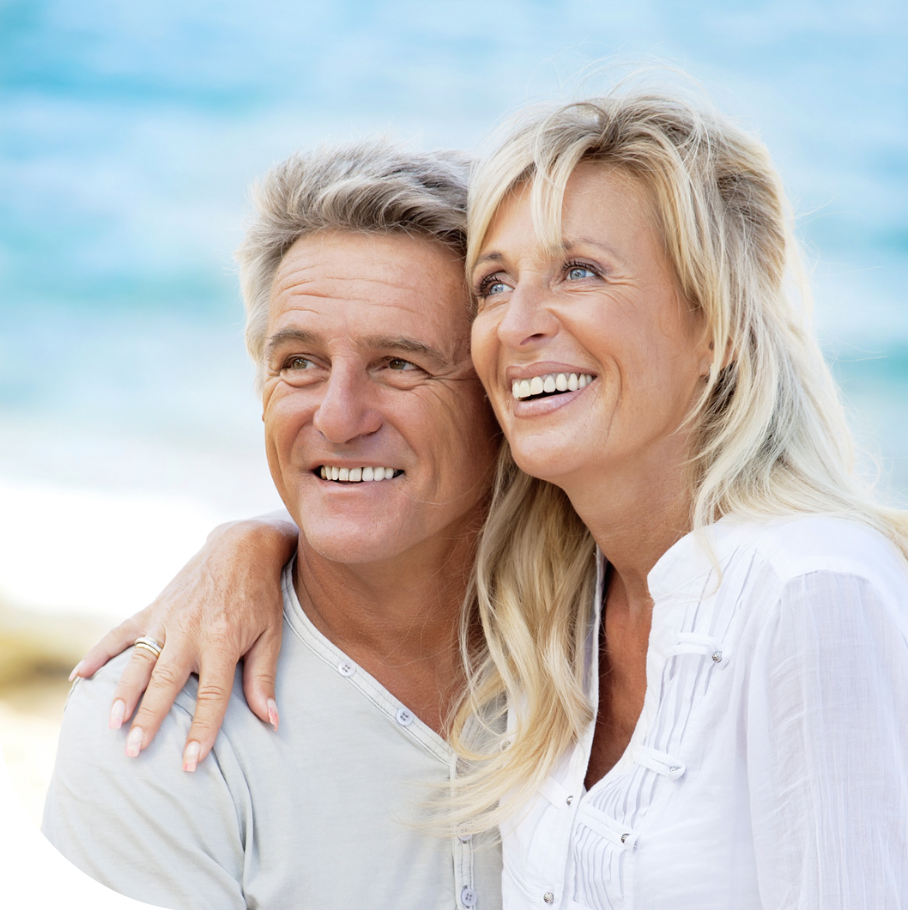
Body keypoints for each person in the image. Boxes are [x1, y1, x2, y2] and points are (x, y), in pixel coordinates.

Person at [74, 84, 908, 908]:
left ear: (720, 327)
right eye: (495, 284)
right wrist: (249, 544)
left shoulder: (809, 590)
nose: (516, 326)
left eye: (581, 270)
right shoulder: (562, 601)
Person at [42, 140, 504, 910]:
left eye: (399, 363)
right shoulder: (156, 726)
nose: (337, 416)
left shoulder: (610, 645)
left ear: (502, 394)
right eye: (300, 363)